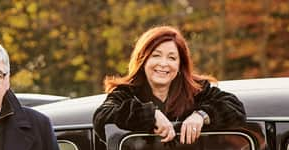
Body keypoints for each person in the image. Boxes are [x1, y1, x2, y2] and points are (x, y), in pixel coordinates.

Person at [92, 25, 246, 143]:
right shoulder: (126, 93)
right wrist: (150, 115)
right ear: (143, 60)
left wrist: (201, 115)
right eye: (156, 56)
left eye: (172, 58)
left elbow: (236, 108)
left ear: (180, 65)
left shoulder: (195, 92)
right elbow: (101, 119)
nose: (163, 64)